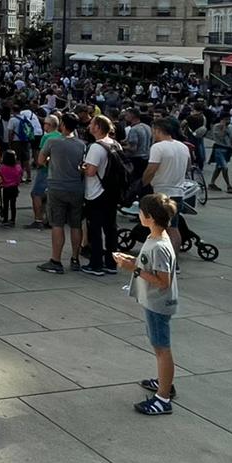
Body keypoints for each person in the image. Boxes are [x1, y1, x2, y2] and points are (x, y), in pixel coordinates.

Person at [113, 192, 179, 415]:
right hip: (152, 301)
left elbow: (163, 281)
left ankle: (163, 397)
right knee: (158, 345)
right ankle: (164, 382)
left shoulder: (159, 245)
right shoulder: (156, 236)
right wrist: (131, 260)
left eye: (140, 211)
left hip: (158, 303)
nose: (138, 214)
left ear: (148, 216)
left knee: (162, 348)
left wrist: (134, 269)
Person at [36, 113, 86, 274]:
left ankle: (56, 260)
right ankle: (75, 258)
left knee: (57, 223)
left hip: (57, 185)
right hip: (76, 187)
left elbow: (40, 160)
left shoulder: (52, 141)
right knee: (76, 224)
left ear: (62, 125)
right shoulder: (81, 144)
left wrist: (52, 161)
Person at [80, 115, 122, 275]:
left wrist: (81, 168)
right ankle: (111, 263)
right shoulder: (115, 144)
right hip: (112, 192)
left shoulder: (96, 147)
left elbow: (91, 171)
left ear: (97, 127)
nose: (89, 126)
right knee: (111, 228)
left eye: (91, 124)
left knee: (95, 229)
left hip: (96, 193)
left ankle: (96, 263)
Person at [141, 117, 191, 253]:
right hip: (179, 192)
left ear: (158, 130)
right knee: (174, 228)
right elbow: (188, 167)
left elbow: (151, 169)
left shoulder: (158, 147)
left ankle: (161, 257)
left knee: (159, 228)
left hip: (161, 192)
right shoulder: (183, 147)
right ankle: (174, 259)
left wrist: (142, 183)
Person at [205, 114, 232, 193]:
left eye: (229, 119)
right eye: (226, 119)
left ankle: (212, 183)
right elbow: (220, 136)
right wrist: (223, 127)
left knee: (219, 167)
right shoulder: (216, 127)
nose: (228, 121)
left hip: (227, 150)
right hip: (219, 149)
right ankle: (228, 185)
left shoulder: (231, 127)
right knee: (224, 167)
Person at [0, 151, 22, 226]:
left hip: (6, 187)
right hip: (14, 187)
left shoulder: (2, 167)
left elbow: (0, 175)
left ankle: (5, 219)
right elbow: (19, 177)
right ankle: (13, 219)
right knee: (13, 204)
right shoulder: (18, 167)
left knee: (5, 204)